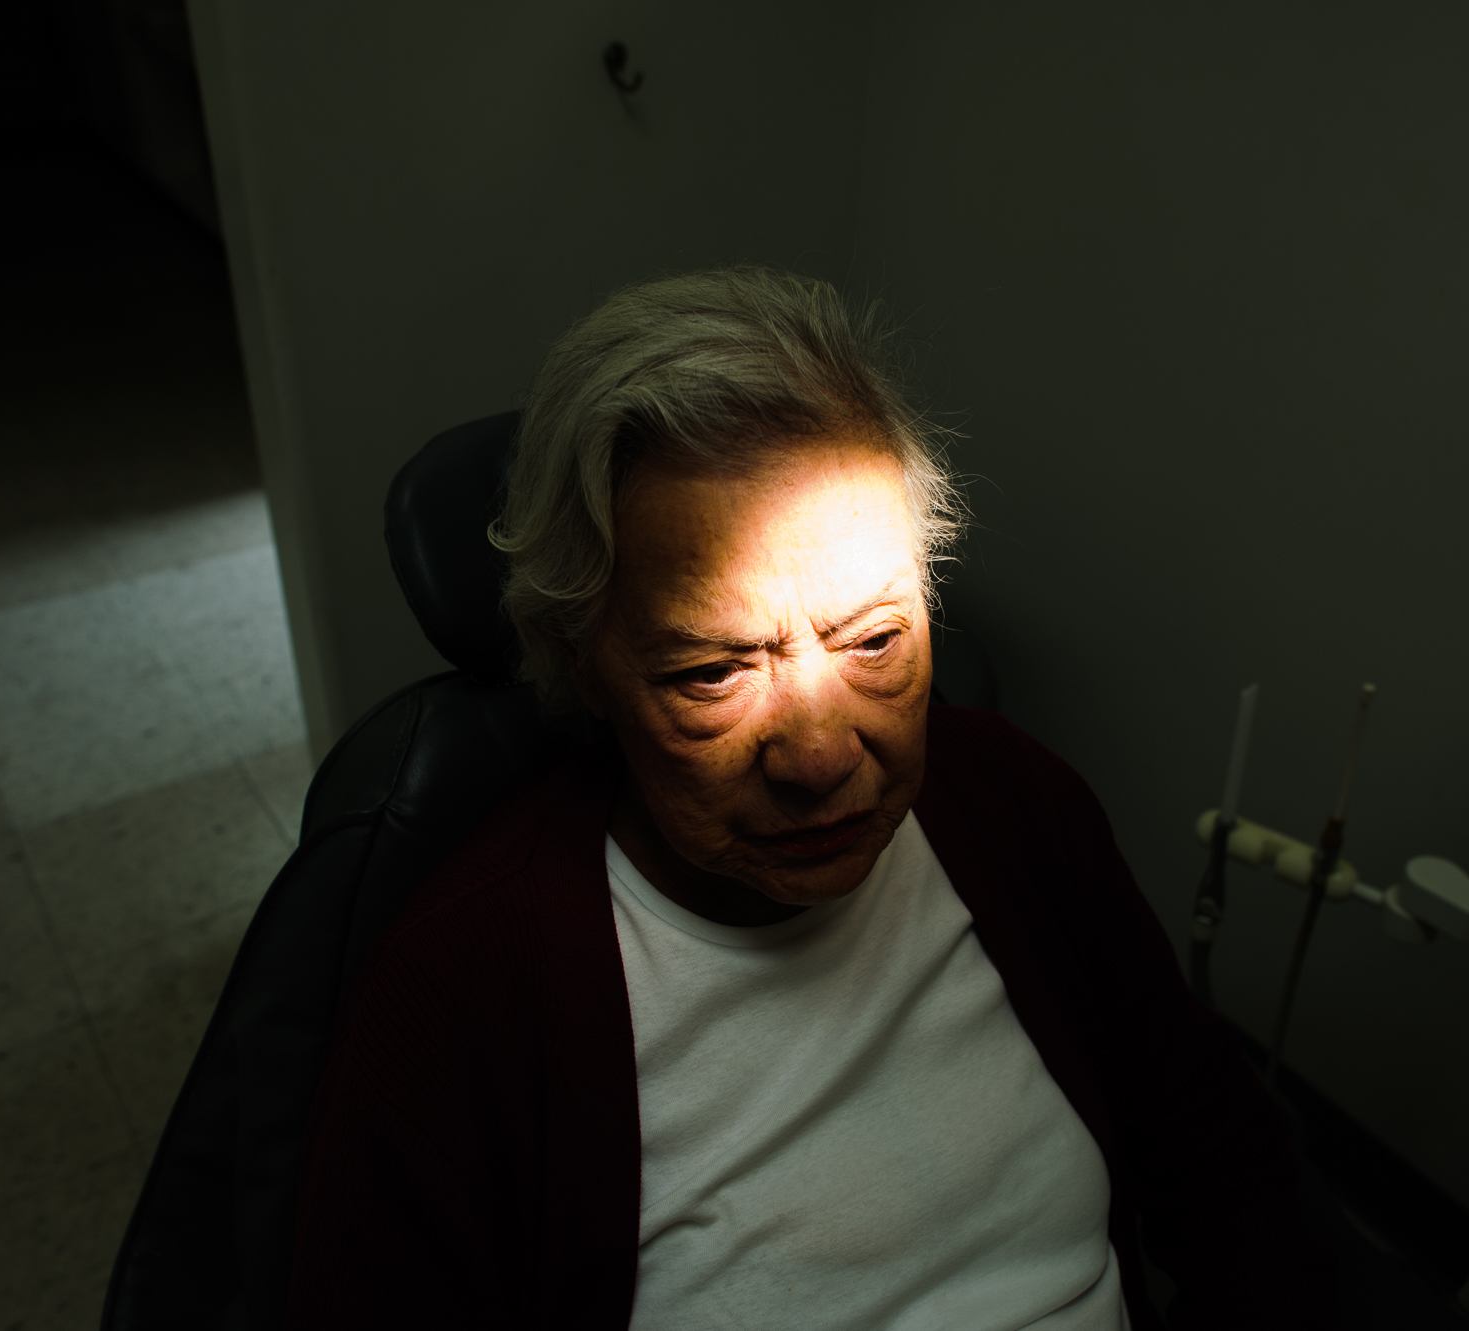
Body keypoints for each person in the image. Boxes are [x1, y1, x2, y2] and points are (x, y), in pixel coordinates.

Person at [285, 267, 1335, 1329]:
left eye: (874, 638)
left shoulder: (1016, 804)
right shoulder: (462, 994)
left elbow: (1220, 1164)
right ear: (583, 661)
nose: (822, 754)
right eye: (712, 673)